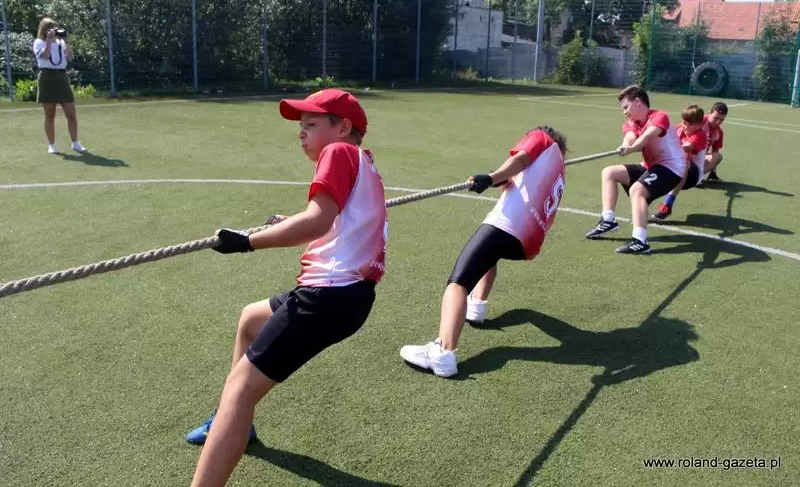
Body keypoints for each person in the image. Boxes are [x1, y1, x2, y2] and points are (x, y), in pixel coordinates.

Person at [187, 89, 388, 487]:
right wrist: (287, 221)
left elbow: (317, 222)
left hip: (328, 295)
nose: (301, 133)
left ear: (343, 128)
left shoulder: (338, 152)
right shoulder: (364, 162)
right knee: (250, 320)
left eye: (311, 124)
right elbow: (336, 222)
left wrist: (247, 242)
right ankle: (235, 424)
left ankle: (231, 421)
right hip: (350, 295)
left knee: (240, 389)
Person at [399, 126, 567, 378]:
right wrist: (498, 179)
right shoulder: (558, 168)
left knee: (458, 284)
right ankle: (476, 306)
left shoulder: (542, 139)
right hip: (527, 243)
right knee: (489, 256)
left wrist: (492, 177)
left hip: (507, 226)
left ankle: (443, 352)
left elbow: (520, 159)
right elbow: (520, 178)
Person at [584, 85, 685, 254]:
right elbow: (630, 136)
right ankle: (608, 221)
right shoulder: (632, 123)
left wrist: (631, 149)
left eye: (626, 107)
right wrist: (625, 145)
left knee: (636, 190)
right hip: (651, 166)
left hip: (672, 168)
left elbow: (647, 136)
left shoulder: (659, 117)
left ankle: (640, 241)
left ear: (637, 102)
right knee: (609, 172)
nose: (624, 112)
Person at [32, 17, 88, 154]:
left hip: (62, 77)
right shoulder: (38, 42)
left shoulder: (61, 42)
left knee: (71, 113)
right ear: (43, 30)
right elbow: (45, 56)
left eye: (54, 28)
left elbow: (70, 58)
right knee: (49, 115)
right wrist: (49, 41)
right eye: (48, 28)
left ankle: (75, 143)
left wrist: (66, 42)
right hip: (46, 77)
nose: (52, 30)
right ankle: (52, 145)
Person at [650, 105, 708, 221]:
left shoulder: (701, 135)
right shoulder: (678, 128)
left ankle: (667, 205)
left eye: (689, 124)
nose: (684, 126)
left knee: (684, 162)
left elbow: (686, 147)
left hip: (692, 175)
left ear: (699, 125)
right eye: (684, 122)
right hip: (674, 168)